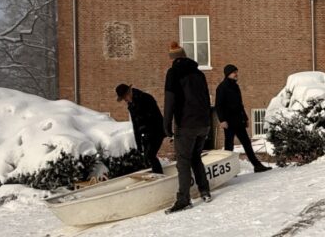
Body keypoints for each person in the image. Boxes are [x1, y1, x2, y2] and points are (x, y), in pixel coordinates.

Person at [163, 41, 214, 213]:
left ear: (172, 59)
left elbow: (170, 101)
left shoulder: (173, 73)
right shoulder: (199, 74)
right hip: (203, 123)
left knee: (183, 162)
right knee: (195, 157)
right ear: (184, 55)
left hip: (186, 124)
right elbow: (207, 99)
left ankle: (184, 199)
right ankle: (204, 191)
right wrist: (208, 122)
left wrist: (166, 125)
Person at [215, 64, 272, 173]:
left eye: (236, 72)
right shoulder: (222, 88)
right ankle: (228, 171)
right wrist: (222, 120)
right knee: (229, 146)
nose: (236, 74)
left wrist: (245, 118)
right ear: (228, 74)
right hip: (229, 122)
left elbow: (240, 104)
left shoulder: (235, 86)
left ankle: (257, 166)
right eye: (234, 72)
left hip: (238, 120)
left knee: (247, 143)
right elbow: (218, 105)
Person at [116, 83, 166, 174]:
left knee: (150, 155)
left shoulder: (145, 98)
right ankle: (154, 174)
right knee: (146, 158)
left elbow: (155, 117)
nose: (125, 100)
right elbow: (135, 126)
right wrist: (139, 145)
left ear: (129, 92)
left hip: (157, 131)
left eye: (125, 97)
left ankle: (160, 176)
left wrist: (147, 132)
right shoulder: (131, 106)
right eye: (123, 99)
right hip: (145, 134)